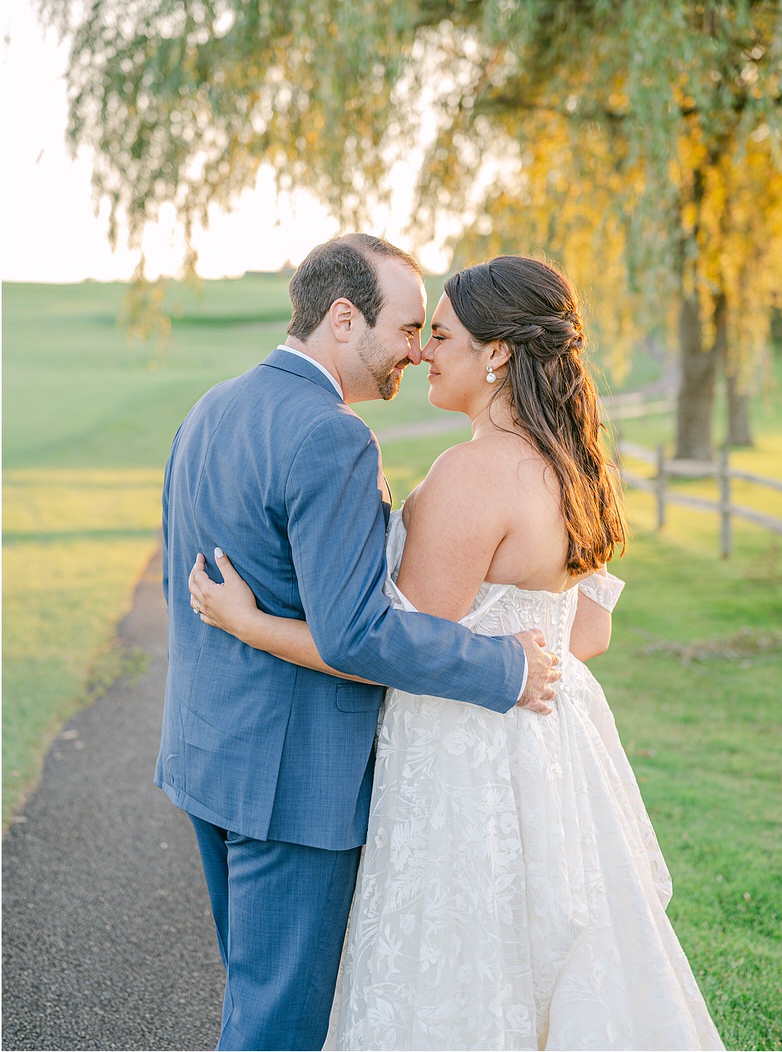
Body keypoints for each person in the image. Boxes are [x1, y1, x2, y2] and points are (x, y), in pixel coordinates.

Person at [189, 255, 726, 1051]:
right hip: (558, 755)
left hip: (462, 753)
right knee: (557, 958)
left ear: (497, 353)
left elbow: (377, 649)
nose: (422, 353)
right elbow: (586, 635)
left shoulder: (470, 475)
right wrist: (523, 666)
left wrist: (247, 623)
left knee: (458, 967)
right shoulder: (573, 467)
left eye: (438, 335)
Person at [155, 234, 560, 1052]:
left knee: (253, 996)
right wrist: (505, 665)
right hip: (291, 783)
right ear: (344, 319)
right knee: (279, 1028)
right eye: (408, 328)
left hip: (208, 757)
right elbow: (359, 632)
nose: (414, 351)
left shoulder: (212, 406)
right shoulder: (331, 436)